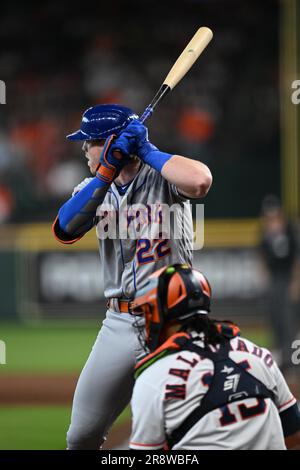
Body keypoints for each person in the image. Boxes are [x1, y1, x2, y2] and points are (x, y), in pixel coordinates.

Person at [52, 104, 212, 449]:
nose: (84, 149)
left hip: (174, 321)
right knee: (81, 435)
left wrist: (146, 151)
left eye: (90, 142)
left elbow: (200, 181)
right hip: (120, 321)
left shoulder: (163, 176)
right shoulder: (94, 186)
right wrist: (106, 172)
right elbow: (65, 228)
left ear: (110, 142)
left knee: (182, 431)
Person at [129, 264, 300, 450]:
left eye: (147, 312)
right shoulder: (259, 354)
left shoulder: (153, 378)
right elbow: (293, 434)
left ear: (160, 315)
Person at [259, 195, 300, 372]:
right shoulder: (265, 233)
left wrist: (296, 282)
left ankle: (292, 359)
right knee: (275, 317)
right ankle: (281, 357)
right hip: (275, 279)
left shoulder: (291, 231)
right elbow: (261, 255)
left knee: (287, 319)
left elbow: (297, 259)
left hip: (288, 279)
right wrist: (265, 277)